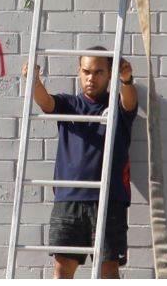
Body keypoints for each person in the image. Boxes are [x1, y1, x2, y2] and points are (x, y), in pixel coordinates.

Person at [23, 47, 137, 279]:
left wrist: (126, 80)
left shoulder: (116, 105)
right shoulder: (70, 104)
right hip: (69, 199)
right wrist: (34, 82)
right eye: (86, 71)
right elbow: (45, 102)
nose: (91, 78)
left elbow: (130, 103)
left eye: (98, 72)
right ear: (78, 72)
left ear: (109, 74)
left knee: (108, 272)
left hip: (108, 200)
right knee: (63, 270)